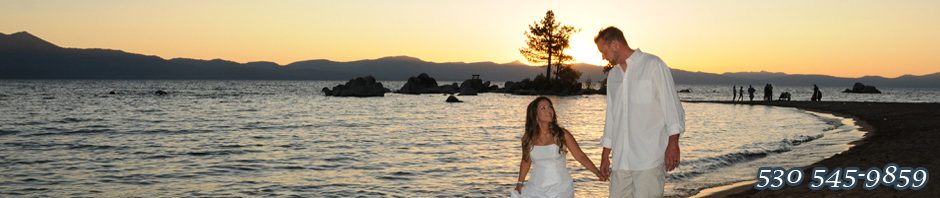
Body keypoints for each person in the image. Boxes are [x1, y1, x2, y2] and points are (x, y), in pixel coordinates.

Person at [594, 26, 686, 197]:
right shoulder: (613, 75)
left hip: (648, 158)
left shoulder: (653, 65)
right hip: (621, 160)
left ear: (615, 44)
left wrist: (673, 143)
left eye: (603, 51)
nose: (603, 56)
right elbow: (612, 117)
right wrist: (605, 155)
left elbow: (671, 106)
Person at [513, 97, 603, 197]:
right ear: (535, 115)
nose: (549, 110)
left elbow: (580, 156)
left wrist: (597, 172)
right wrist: (520, 182)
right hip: (536, 187)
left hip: (560, 187)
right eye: (543, 108)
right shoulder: (528, 138)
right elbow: (525, 161)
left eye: (550, 107)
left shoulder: (562, 134)